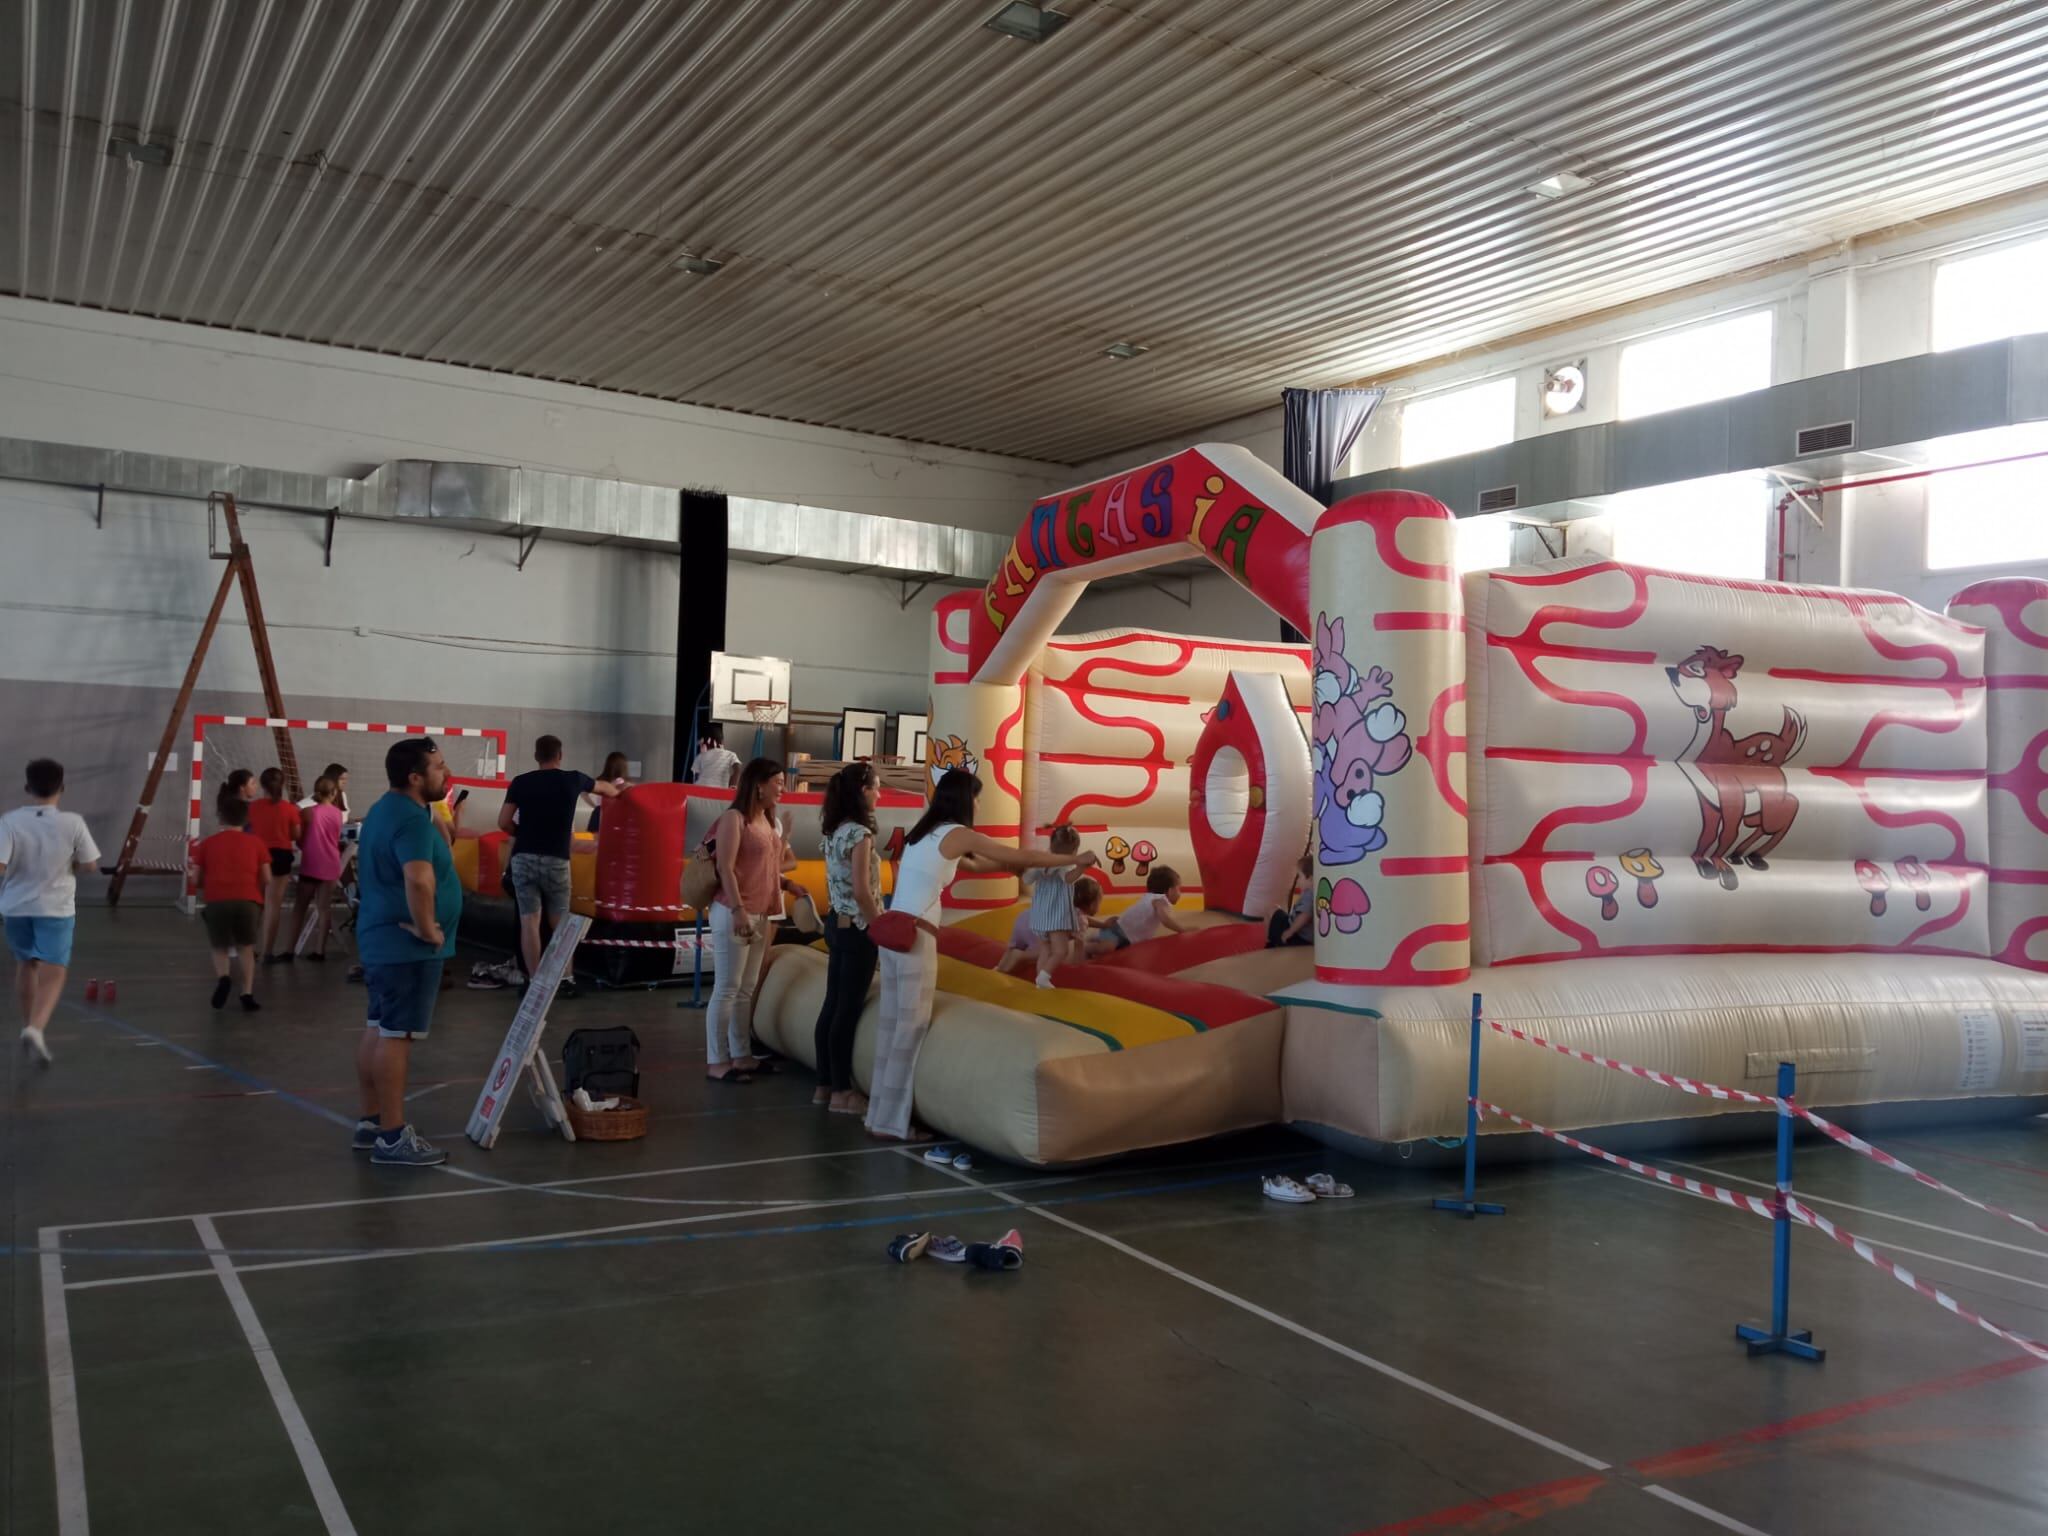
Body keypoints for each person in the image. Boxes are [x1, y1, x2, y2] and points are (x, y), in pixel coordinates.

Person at [866, 769, 1091, 1142]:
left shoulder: (926, 832)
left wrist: (1010, 867)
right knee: (910, 1027)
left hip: (894, 932)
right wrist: (1070, 858)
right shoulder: (958, 833)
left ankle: (879, 1115)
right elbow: (1015, 853)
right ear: (964, 798)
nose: (979, 803)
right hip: (916, 935)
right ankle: (891, 1122)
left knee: (891, 1025)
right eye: (976, 796)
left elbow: (974, 865)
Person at [352, 737, 462, 1167]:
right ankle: (393, 1137)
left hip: (380, 942)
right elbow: (419, 878)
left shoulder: (385, 810)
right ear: (415, 778)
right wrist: (427, 927)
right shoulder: (410, 821)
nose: (446, 773)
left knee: (378, 1028)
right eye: (439, 767)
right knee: (396, 1037)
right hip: (406, 950)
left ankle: (371, 1121)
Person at [496, 735, 619, 987]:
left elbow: (503, 822)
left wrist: (522, 833)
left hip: (523, 857)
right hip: (556, 859)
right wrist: (620, 791)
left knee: (529, 922)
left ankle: (534, 980)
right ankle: (565, 978)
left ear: (536, 756)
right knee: (560, 923)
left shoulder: (521, 782)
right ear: (560, 755)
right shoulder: (573, 779)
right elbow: (606, 789)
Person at [0, 759, 101, 1065]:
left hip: (15, 907)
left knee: (26, 964)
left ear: (28, 788)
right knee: (54, 972)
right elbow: (90, 864)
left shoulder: (10, 821)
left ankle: (28, 1023)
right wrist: (71, 863)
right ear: (62, 788)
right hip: (55, 909)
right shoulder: (73, 822)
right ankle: (36, 1029)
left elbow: (0, 866)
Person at [706, 757, 797, 1083]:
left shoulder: (766, 821)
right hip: (735, 911)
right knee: (727, 987)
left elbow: (767, 867)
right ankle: (717, 1060)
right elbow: (725, 867)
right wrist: (737, 909)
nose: (782, 788)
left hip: (760, 911)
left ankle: (741, 1054)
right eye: (778, 782)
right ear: (759, 785)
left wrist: (787, 884)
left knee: (746, 988)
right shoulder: (735, 818)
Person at [811, 762, 883, 1114]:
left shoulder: (835, 830)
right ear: (863, 791)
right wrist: (880, 928)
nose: (879, 795)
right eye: (876, 788)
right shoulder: (859, 834)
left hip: (836, 924)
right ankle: (842, 1091)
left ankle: (824, 1085)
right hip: (857, 928)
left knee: (832, 1005)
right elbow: (862, 890)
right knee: (848, 1009)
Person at [190, 795, 268, 1010]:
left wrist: (209, 883)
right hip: (248, 900)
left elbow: (195, 880)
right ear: (246, 819)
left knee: (220, 946)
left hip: (217, 900)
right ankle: (247, 993)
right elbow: (267, 877)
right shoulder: (257, 843)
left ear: (220, 818)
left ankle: (224, 977)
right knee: (246, 948)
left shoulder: (207, 844)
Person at [1024, 824, 1099, 987]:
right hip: (1055, 916)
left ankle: (1039, 980)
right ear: (1074, 851)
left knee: (1045, 949)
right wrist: (1081, 866)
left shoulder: (1041, 861)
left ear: (1051, 845)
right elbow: (1068, 878)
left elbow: (1027, 879)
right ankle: (1043, 977)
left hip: (1039, 916)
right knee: (1061, 951)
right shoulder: (1065, 864)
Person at [249, 768, 304, 964]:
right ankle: (267, 952)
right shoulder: (290, 809)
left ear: (262, 785)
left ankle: (249, 949)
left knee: (255, 904)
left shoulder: (252, 808)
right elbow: (296, 835)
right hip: (280, 856)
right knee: (273, 906)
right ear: (283, 784)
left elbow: (247, 830)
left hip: (257, 855)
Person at [997, 877, 1103, 976]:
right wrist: (1079, 970)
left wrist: (1103, 925)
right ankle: (1021, 956)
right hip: (1036, 929)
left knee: (1011, 949)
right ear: (1092, 904)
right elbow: (1079, 947)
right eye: (1099, 902)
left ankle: (998, 970)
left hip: (1024, 918)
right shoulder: (1081, 921)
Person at [289, 775, 346, 961]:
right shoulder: (338, 814)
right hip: (330, 864)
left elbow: (300, 838)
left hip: (311, 864)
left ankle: (290, 949)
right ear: (334, 793)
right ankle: (320, 950)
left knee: (300, 907)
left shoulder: (307, 813)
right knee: (324, 908)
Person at [1091, 865, 1188, 954]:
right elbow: (1165, 919)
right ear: (1170, 891)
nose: (1180, 893)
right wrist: (1183, 930)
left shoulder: (1150, 897)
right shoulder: (1159, 900)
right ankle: (1088, 948)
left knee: (1118, 951)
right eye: (1179, 889)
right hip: (1116, 931)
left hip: (1129, 939)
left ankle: (1096, 938)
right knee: (1107, 949)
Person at [1267, 852, 1315, 948]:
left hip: (1298, 935)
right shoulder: (1311, 892)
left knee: (1272, 910)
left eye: (1299, 876)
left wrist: (1290, 932)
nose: (1297, 880)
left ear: (1310, 878)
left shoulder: (1310, 894)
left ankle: (1272, 941)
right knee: (1275, 909)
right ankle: (1272, 939)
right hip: (1297, 930)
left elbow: (1305, 915)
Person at [584, 751, 631, 833]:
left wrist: (595, 806)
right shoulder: (623, 783)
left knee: (595, 838)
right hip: (616, 814)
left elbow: (584, 793)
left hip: (599, 813)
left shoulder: (600, 781)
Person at [692, 724, 739, 789]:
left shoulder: (700, 756)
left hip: (701, 789)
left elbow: (696, 776)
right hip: (720, 790)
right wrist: (732, 786)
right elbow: (737, 770)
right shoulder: (731, 755)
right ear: (722, 741)